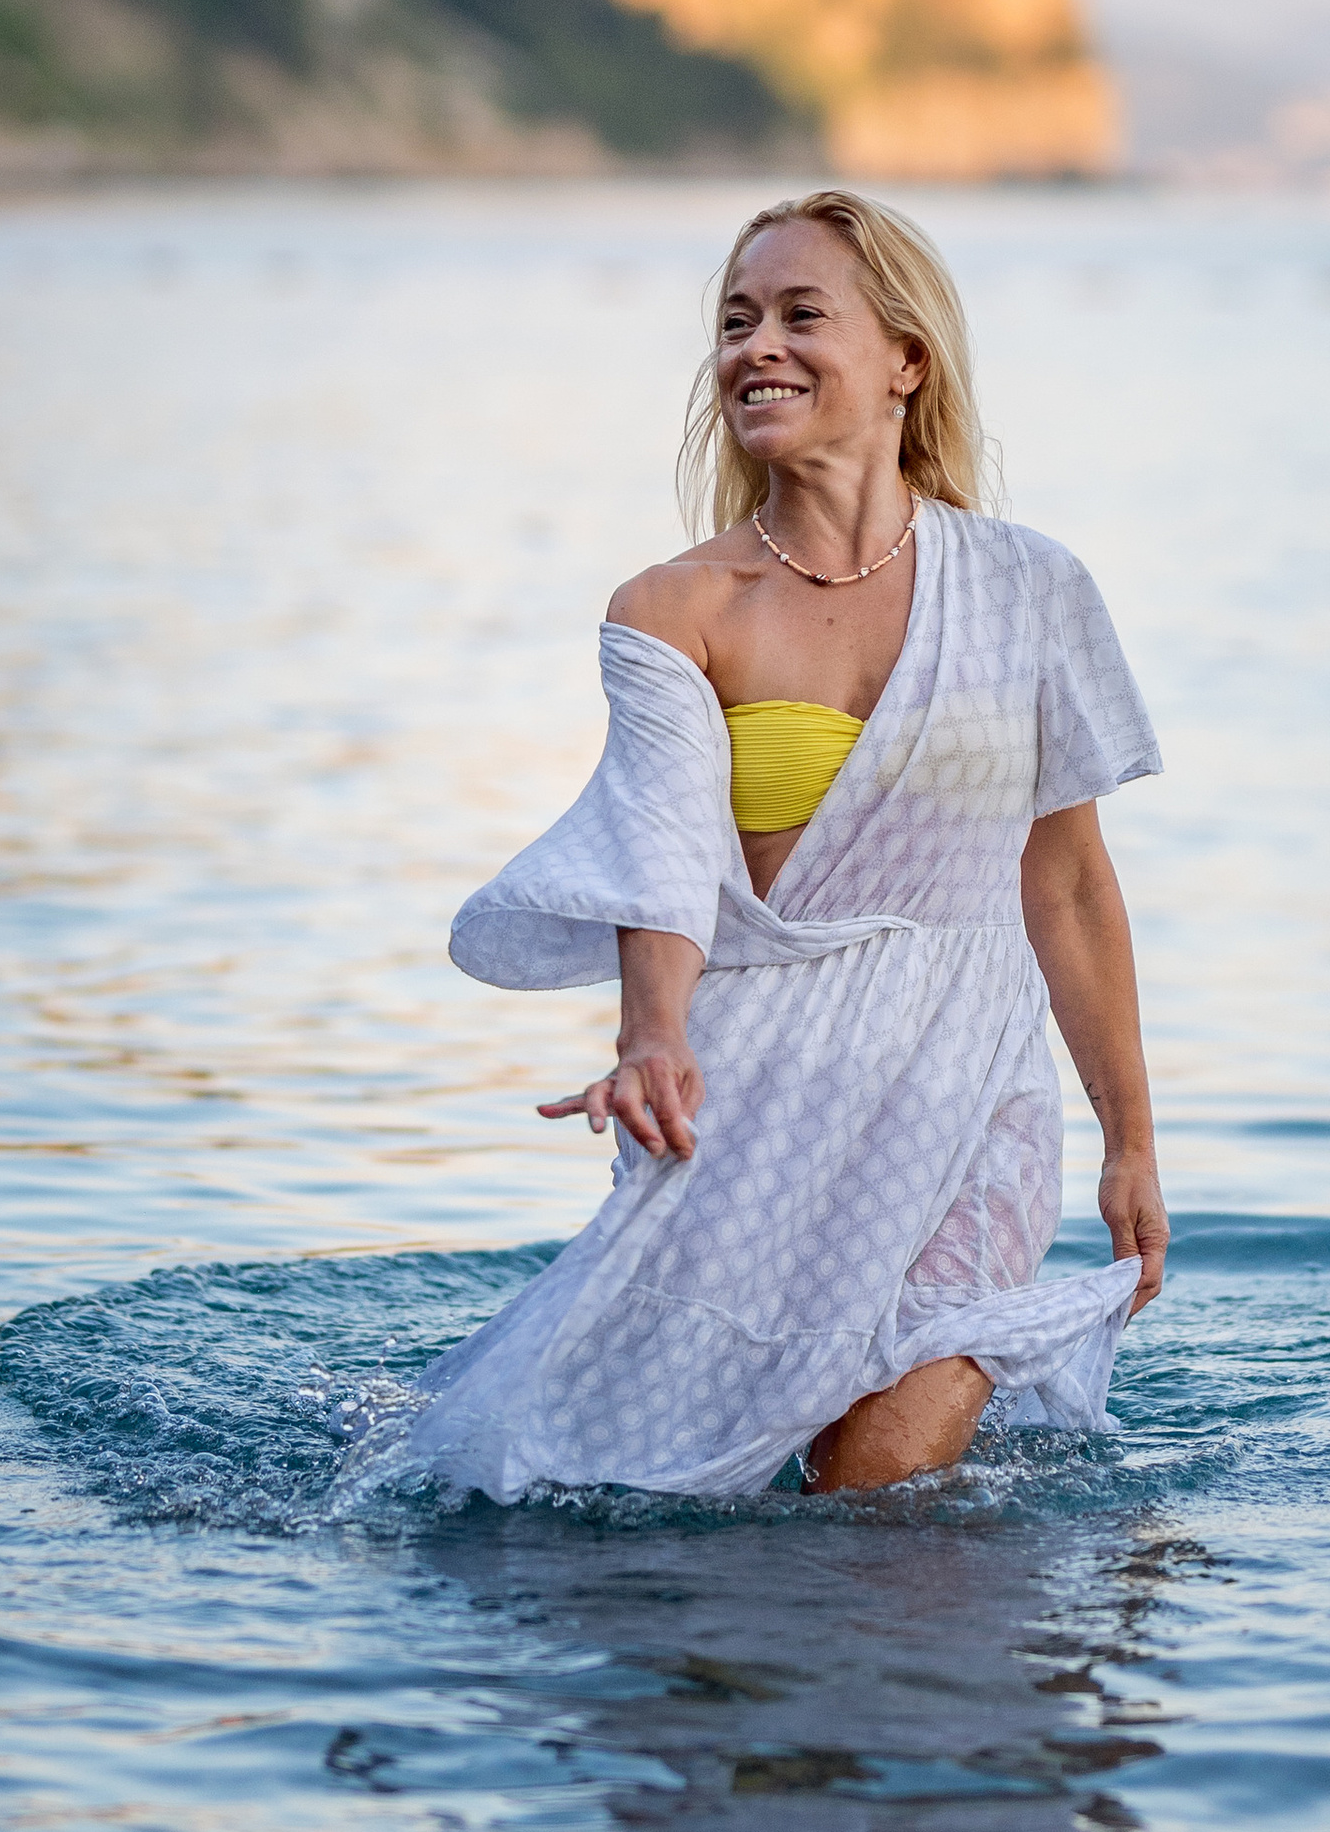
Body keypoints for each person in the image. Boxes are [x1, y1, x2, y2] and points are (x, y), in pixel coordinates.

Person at [362, 188, 1168, 1503]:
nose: (758, 347)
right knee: (655, 1464)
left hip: (968, 1080)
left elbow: (1068, 884)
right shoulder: (676, 609)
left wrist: (1130, 1139)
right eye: (736, 322)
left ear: (907, 360)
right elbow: (661, 850)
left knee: (882, 1479)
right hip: (751, 1084)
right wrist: (652, 1036)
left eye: (802, 315)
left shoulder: (1031, 590)